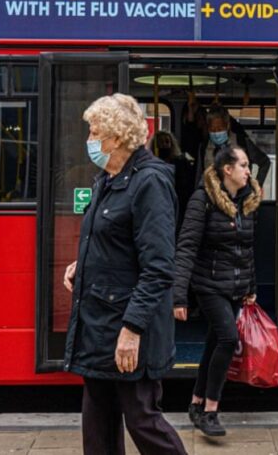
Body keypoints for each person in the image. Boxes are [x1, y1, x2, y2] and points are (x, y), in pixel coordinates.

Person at [62, 93, 186, 455]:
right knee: (97, 424)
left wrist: (131, 331)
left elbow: (159, 267)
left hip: (128, 329)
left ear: (115, 138)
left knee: (142, 420)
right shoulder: (107, 178)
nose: (89, 139)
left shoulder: (150, 183)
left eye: (94, 131)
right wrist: (81, 265)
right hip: (98, 325)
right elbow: (113, 243)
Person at [173, 144, 260, 438]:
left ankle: (196, 403)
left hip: (235, 286)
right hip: (208, 285)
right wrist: (179, 295)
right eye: (244, 165)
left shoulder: (245, 200)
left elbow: (246, 249)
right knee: (227, 338)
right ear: (227, 170)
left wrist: (251, 286)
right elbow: (186, 247)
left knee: (213, 343)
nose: (249, 171)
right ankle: (211, 410)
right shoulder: (203, 200)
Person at [190, 104, 270, 188]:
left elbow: (265, 162)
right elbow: (199, 178)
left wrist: (255, 188)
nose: (216, 133)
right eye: (212, 129)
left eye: (220, 129)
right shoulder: (204, 147)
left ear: (227, 126)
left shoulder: (241, 142)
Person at [148, 131, 195, 226]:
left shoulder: (180, 163)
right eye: (160, 143)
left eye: (166, 142)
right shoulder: (151, 164)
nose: (164, 145)